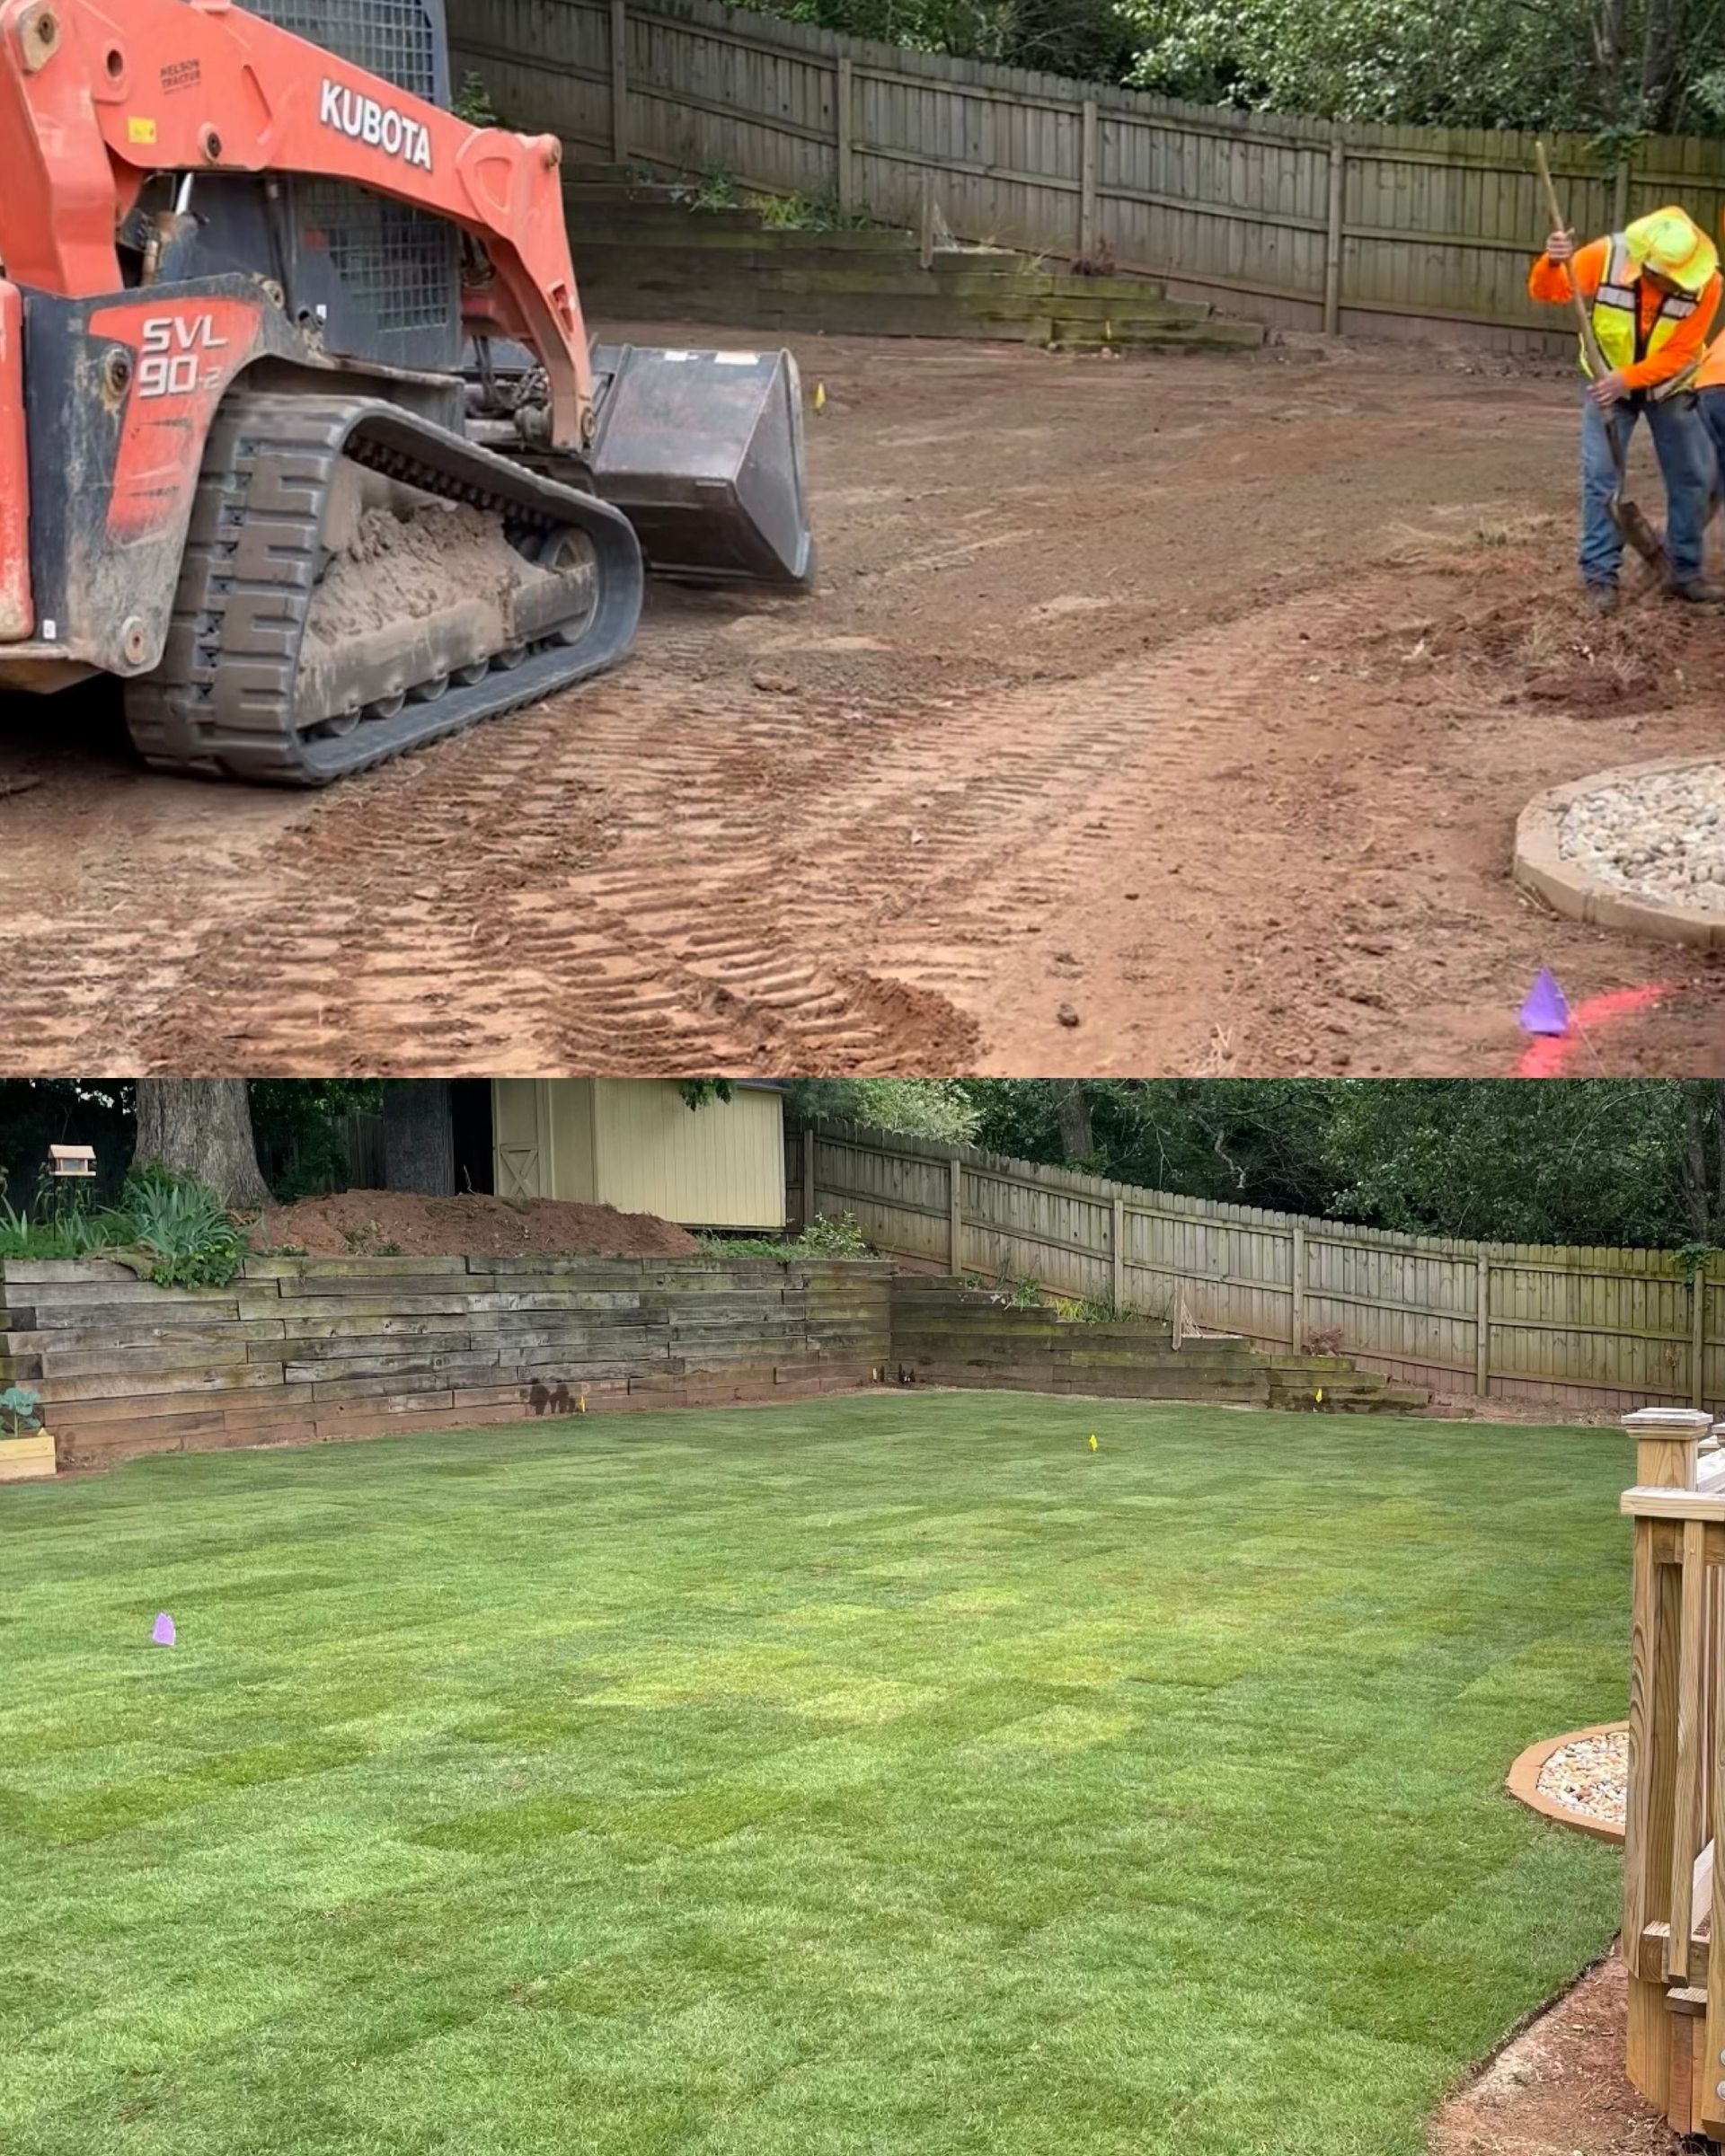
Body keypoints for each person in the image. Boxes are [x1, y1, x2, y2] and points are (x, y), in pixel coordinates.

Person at [1528, 205, 1722, 613]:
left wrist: (1628, 378)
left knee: (1693, 477)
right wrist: (1553, 262)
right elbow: (1547, 291)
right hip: (1606, 390)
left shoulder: (1709, 284)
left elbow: (1682, 351)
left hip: (1669, 388)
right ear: (1648, 267)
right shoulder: (1604, 257)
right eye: (1671, 279)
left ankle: (1683, 573)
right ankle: (1601, 579)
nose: (1679, 287)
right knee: (1602, 480)